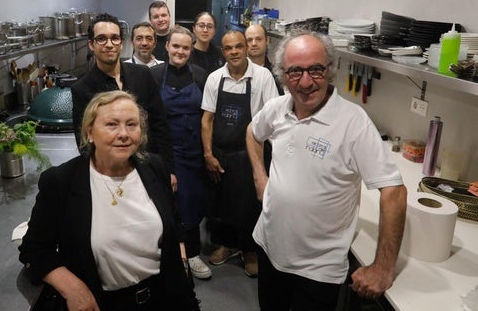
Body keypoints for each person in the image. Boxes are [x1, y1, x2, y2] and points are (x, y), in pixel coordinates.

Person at [246, 30, 407, 311]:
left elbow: (393, 192)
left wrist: (383, 268)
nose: (306, 82)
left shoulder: (353, 123)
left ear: (330, 70)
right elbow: (252, 132)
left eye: (316, 70)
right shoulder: (277, 108)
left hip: (318, 270)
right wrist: (260, 176)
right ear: (283, 75)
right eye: (295, 71)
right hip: (270, 247)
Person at [19, 91, 200, 311]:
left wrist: (181, 268)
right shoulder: (62, 181)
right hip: (103, 303)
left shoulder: (154, 167)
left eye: (132, 124)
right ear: (90, 133)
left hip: (165, 299)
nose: (123, 134)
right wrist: (73, 287)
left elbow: (175, 224)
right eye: (112, 125)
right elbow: (34, 249)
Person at [201, 30, 279, 278]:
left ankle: (250, 250)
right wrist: (208, 154)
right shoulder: (215, 78)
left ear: (246, 48)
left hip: (250, 153)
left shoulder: (262, 76)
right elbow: (207, 119)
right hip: (221, 153)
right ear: (222, 51)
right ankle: (227, 244)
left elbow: (274, 116)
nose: (234, 52)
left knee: (249, 205)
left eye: (238, 46)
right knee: (222, 202)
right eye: (228, 48)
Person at [71, 13, 176, 189]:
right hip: (111, 176)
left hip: (149, 167)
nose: (109, 44)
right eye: (101, 39)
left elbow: (160, 125)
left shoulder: (142, 75)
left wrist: (169, 169)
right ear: (91, 44)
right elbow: (84, 143)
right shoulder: (83, 89)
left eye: (115, 38)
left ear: (122, 42)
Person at [150, 26, 211, 280]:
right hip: (163, 150)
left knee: (192, 201)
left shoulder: (199, 75)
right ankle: (170, 256)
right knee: (165, 204)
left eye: (186, 47)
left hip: (193, 150)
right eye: (176, 46)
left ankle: (193, 253)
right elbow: (148, 117)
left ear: (190, 50)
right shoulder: (152, 76)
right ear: (166, 47)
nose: (180, 51)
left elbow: (208, 116)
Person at [244, 23, 284, 95]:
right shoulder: (237, 71)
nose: (254, 44)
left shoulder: (275, 74)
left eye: (258, 39)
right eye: (249, 40)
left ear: (267, 40)